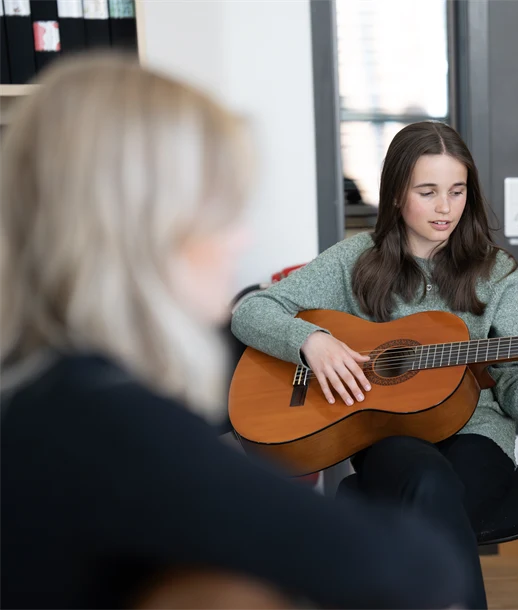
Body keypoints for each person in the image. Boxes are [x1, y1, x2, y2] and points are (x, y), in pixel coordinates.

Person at [0, 53, 470, 610]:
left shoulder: (35, 389)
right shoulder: (106, 419)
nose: (241, 238)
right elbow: (418, 569)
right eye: (219, 210)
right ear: (140, 227)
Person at [231, 120, 518, 609]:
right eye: (428, 191)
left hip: (479, 437)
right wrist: (311, 341)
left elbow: (517, 397)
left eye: (457, 191)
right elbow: (250, 311)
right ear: (396, 194)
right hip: (386, 436)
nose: (445, 208)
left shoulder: (496, 273)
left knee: (434, 495)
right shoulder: (355, 259)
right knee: (428, 482)